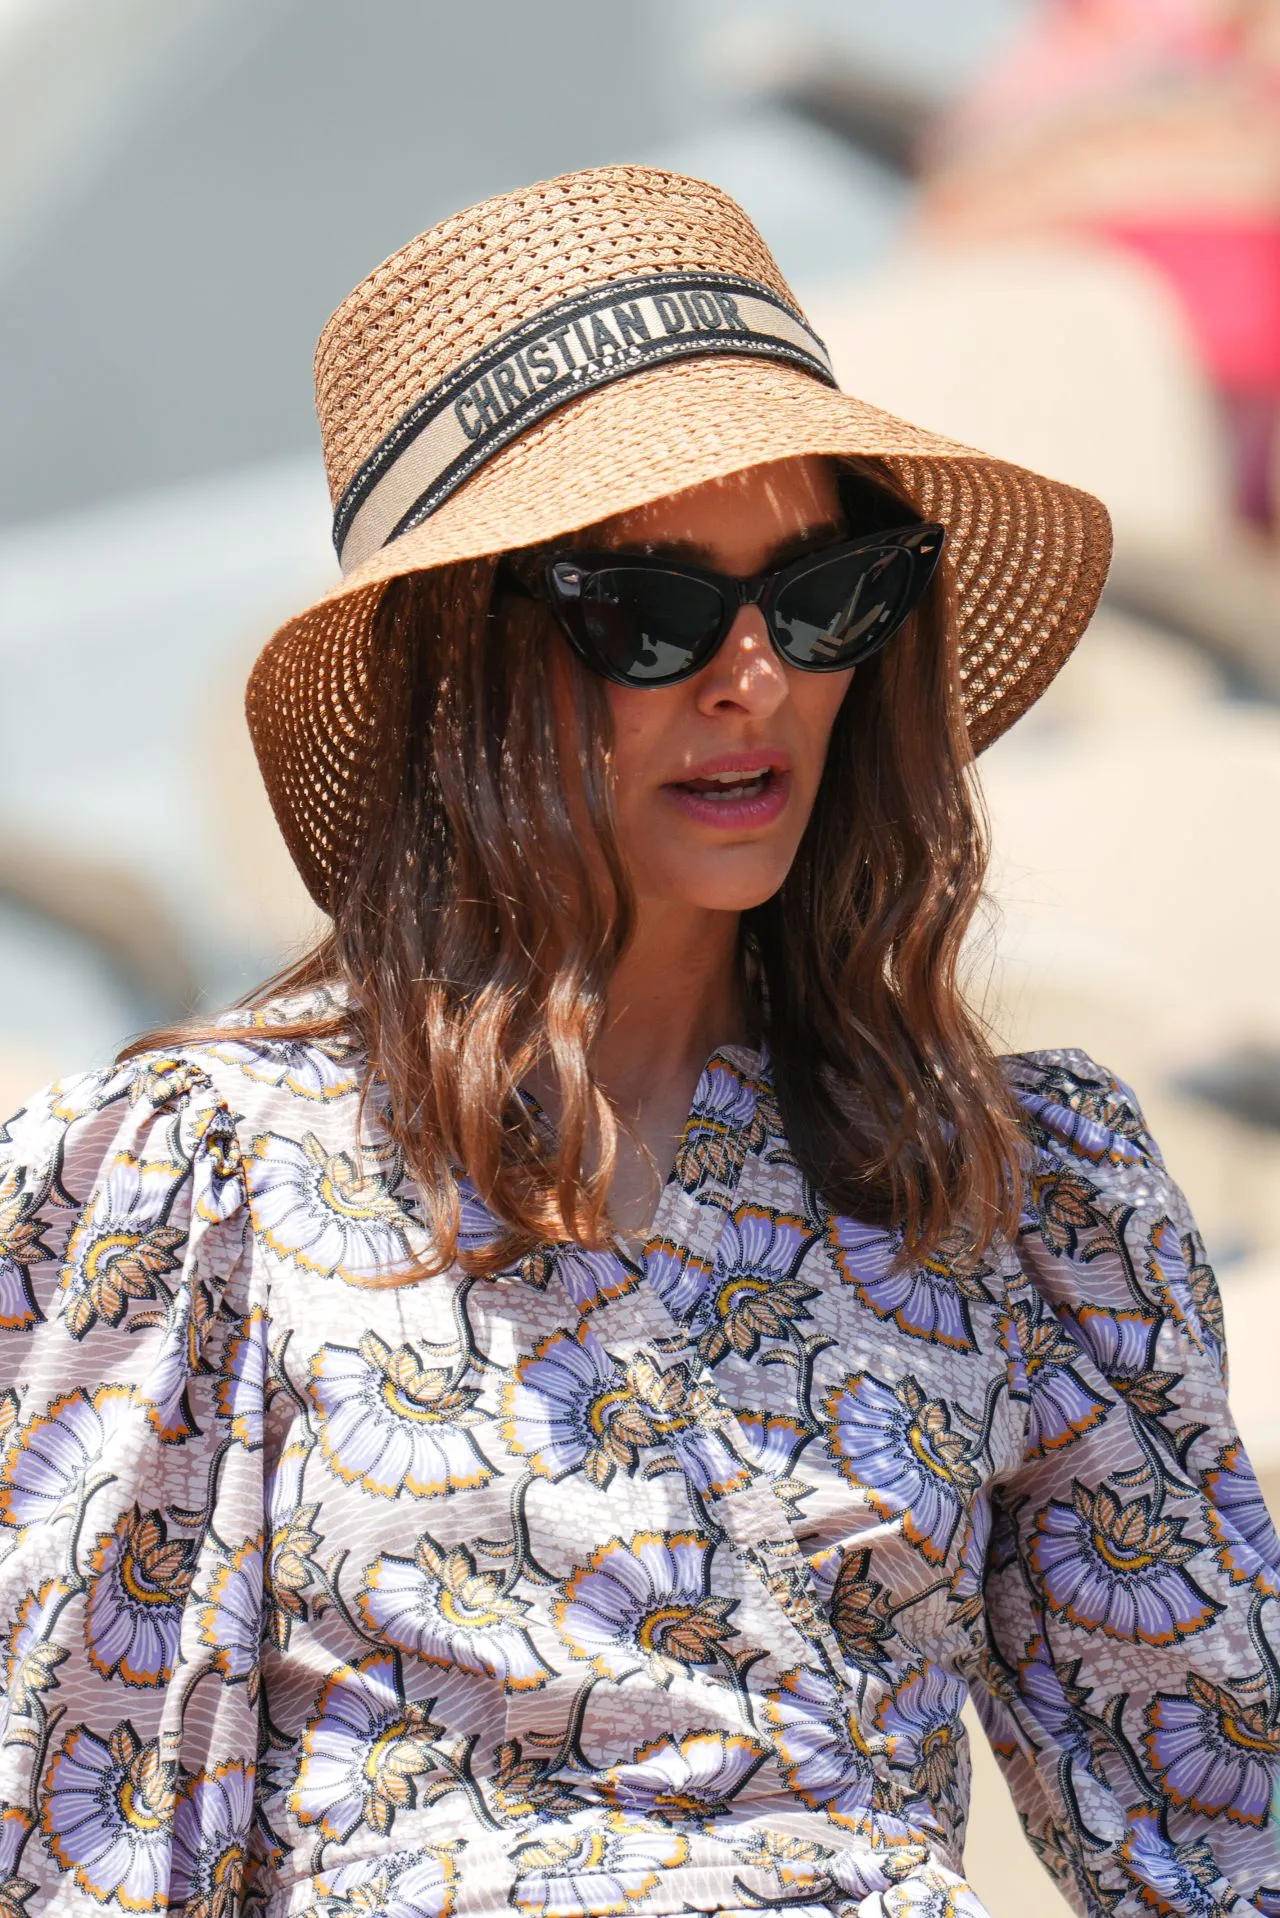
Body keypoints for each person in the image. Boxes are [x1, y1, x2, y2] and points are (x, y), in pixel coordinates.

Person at [0, 166, 1276, 1918]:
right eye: (650, 616)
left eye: (825, 595)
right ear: (458, 665)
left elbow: (1225, 1840)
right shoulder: (206, 1178)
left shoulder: (1018, 1190)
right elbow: (84, 1855)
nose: (751, 675)